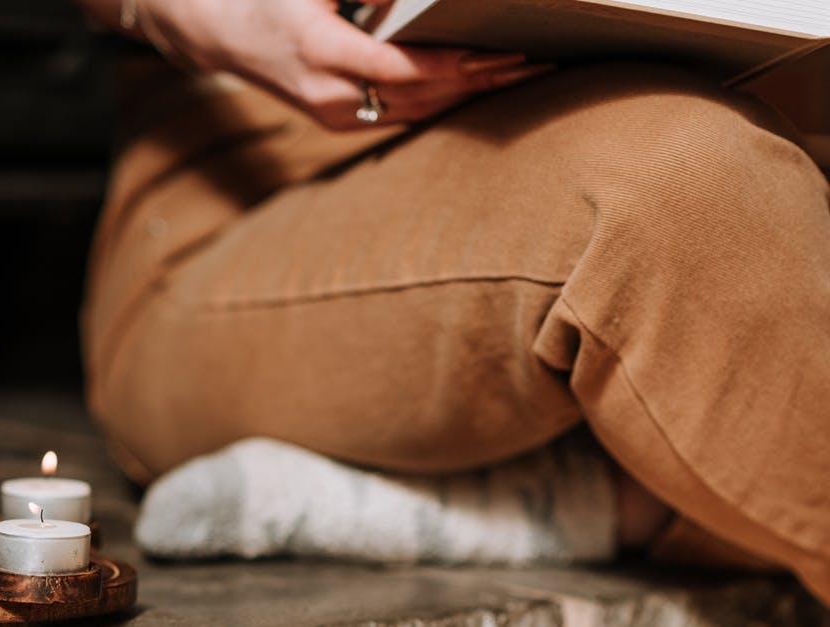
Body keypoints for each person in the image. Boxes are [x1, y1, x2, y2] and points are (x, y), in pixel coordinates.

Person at [73, 0, 830, 604]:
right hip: (252, 186)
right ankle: (621, 489)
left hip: (745, 99)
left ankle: (595, 502)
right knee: (685, 185)